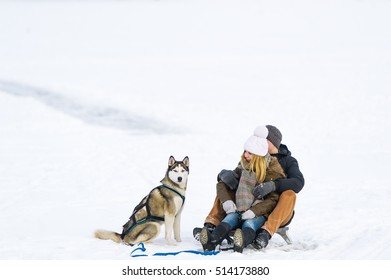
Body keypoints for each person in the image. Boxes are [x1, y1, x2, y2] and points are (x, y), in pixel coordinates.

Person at [196, 125, 305, 250]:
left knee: (289, 194)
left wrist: (274, 185)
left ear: (269, 142)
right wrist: (222, 175)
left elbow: (298, 182)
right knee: (227, 185)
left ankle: (265, 233)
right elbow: (238, 175)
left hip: (274, 207)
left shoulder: (287, 161)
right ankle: (211, 225)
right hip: (248, 204)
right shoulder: (253, 156)